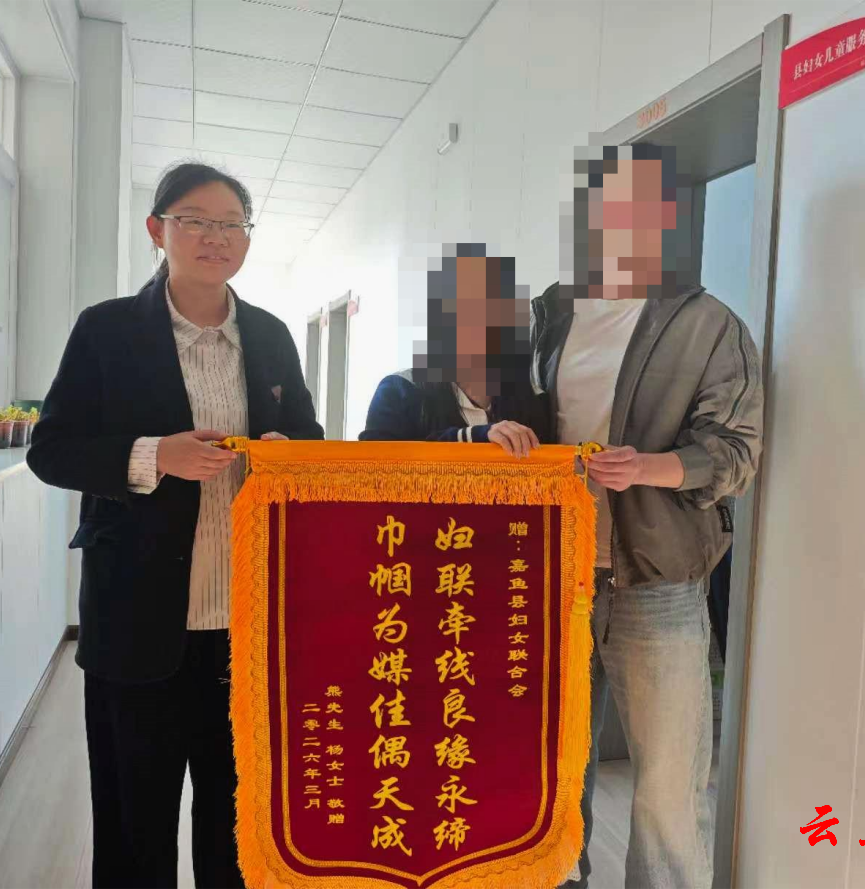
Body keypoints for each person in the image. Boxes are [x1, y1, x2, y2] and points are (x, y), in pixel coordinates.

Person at [27, 162, 322, 888]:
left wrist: (287, 456)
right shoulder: (106, 330)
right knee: (135, 828)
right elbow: (52, 449)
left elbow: (310, 440)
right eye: (195, 220)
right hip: (136, 621)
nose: (215, 237)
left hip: (246, 626)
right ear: (158, 230)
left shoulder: (271, 335)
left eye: (231, 224)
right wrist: (155, 455)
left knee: (238, 828)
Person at [535, 144, 763, 889]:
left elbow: (736, 451)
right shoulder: (550, 314)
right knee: (549, 775)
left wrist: (648, 468)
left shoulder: (707, 323)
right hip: (551, 578)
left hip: (657, 579)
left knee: (667, 792)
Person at [360, 243, 548, 454]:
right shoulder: (398, 391)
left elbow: (551, 465)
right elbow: (374, 465)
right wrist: (474, 437)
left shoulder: (532, 397)